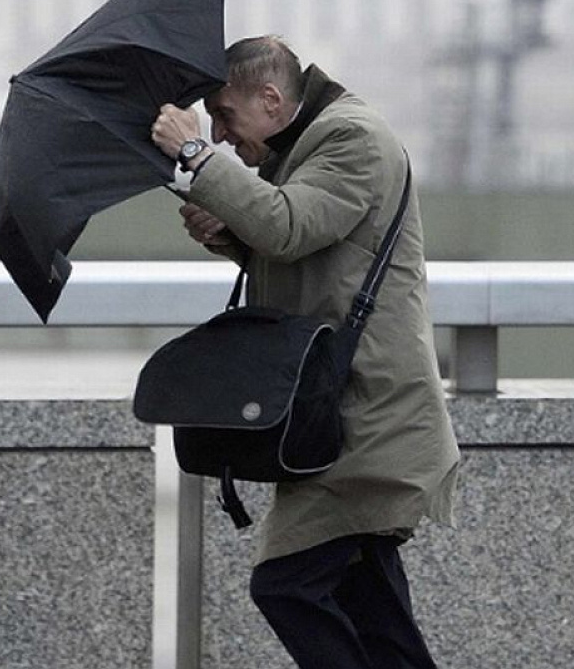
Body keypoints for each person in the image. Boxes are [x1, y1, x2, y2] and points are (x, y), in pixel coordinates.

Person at [151, 35, 459, 669]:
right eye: (211, 125)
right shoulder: (305, 145)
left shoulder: (352, 138)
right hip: (338, 411)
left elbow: (289, 229)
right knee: (373, 614)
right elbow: (308, 248)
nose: (223, 134)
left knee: (286, 584)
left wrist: (195, 154)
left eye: (226, 116)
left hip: (370, 416)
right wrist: (232, 233)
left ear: (270, 97)